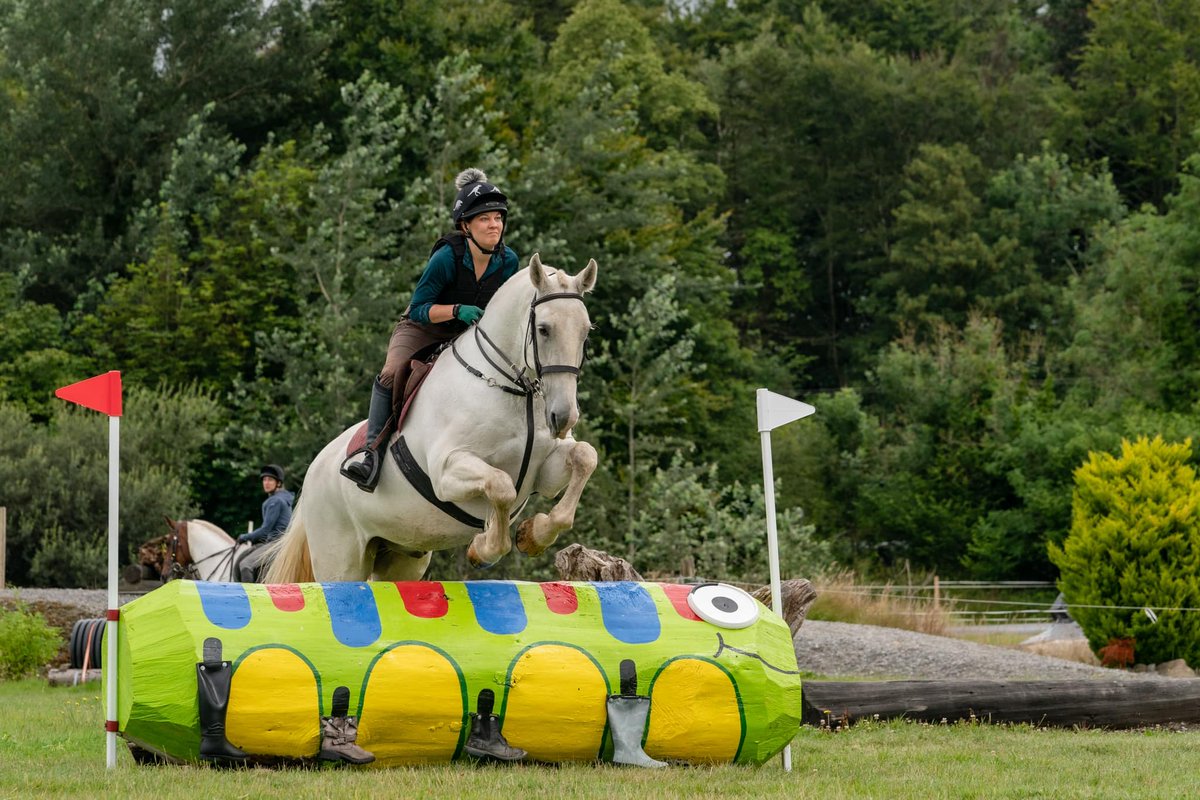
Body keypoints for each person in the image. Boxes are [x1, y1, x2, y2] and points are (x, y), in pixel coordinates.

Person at [340, 167, 521, 492]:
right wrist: (456, 310)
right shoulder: (446, 257)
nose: (494, 225)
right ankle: (370, 454)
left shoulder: (508, 261)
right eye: (485, 219)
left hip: (469, 333)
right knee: (393, 371)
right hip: (423, 326)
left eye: (498, 218)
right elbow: (421, 307)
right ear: (466, 225)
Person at [237, 464, 294, 581]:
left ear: (278, 483)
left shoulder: (275, 501)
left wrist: (245, 537)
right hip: (281, 542)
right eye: (264, 479)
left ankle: (248, 597)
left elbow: (265, 530)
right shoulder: (285, 499)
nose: (266, 483)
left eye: (270, 480)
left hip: (275, 544)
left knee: (245, 565)